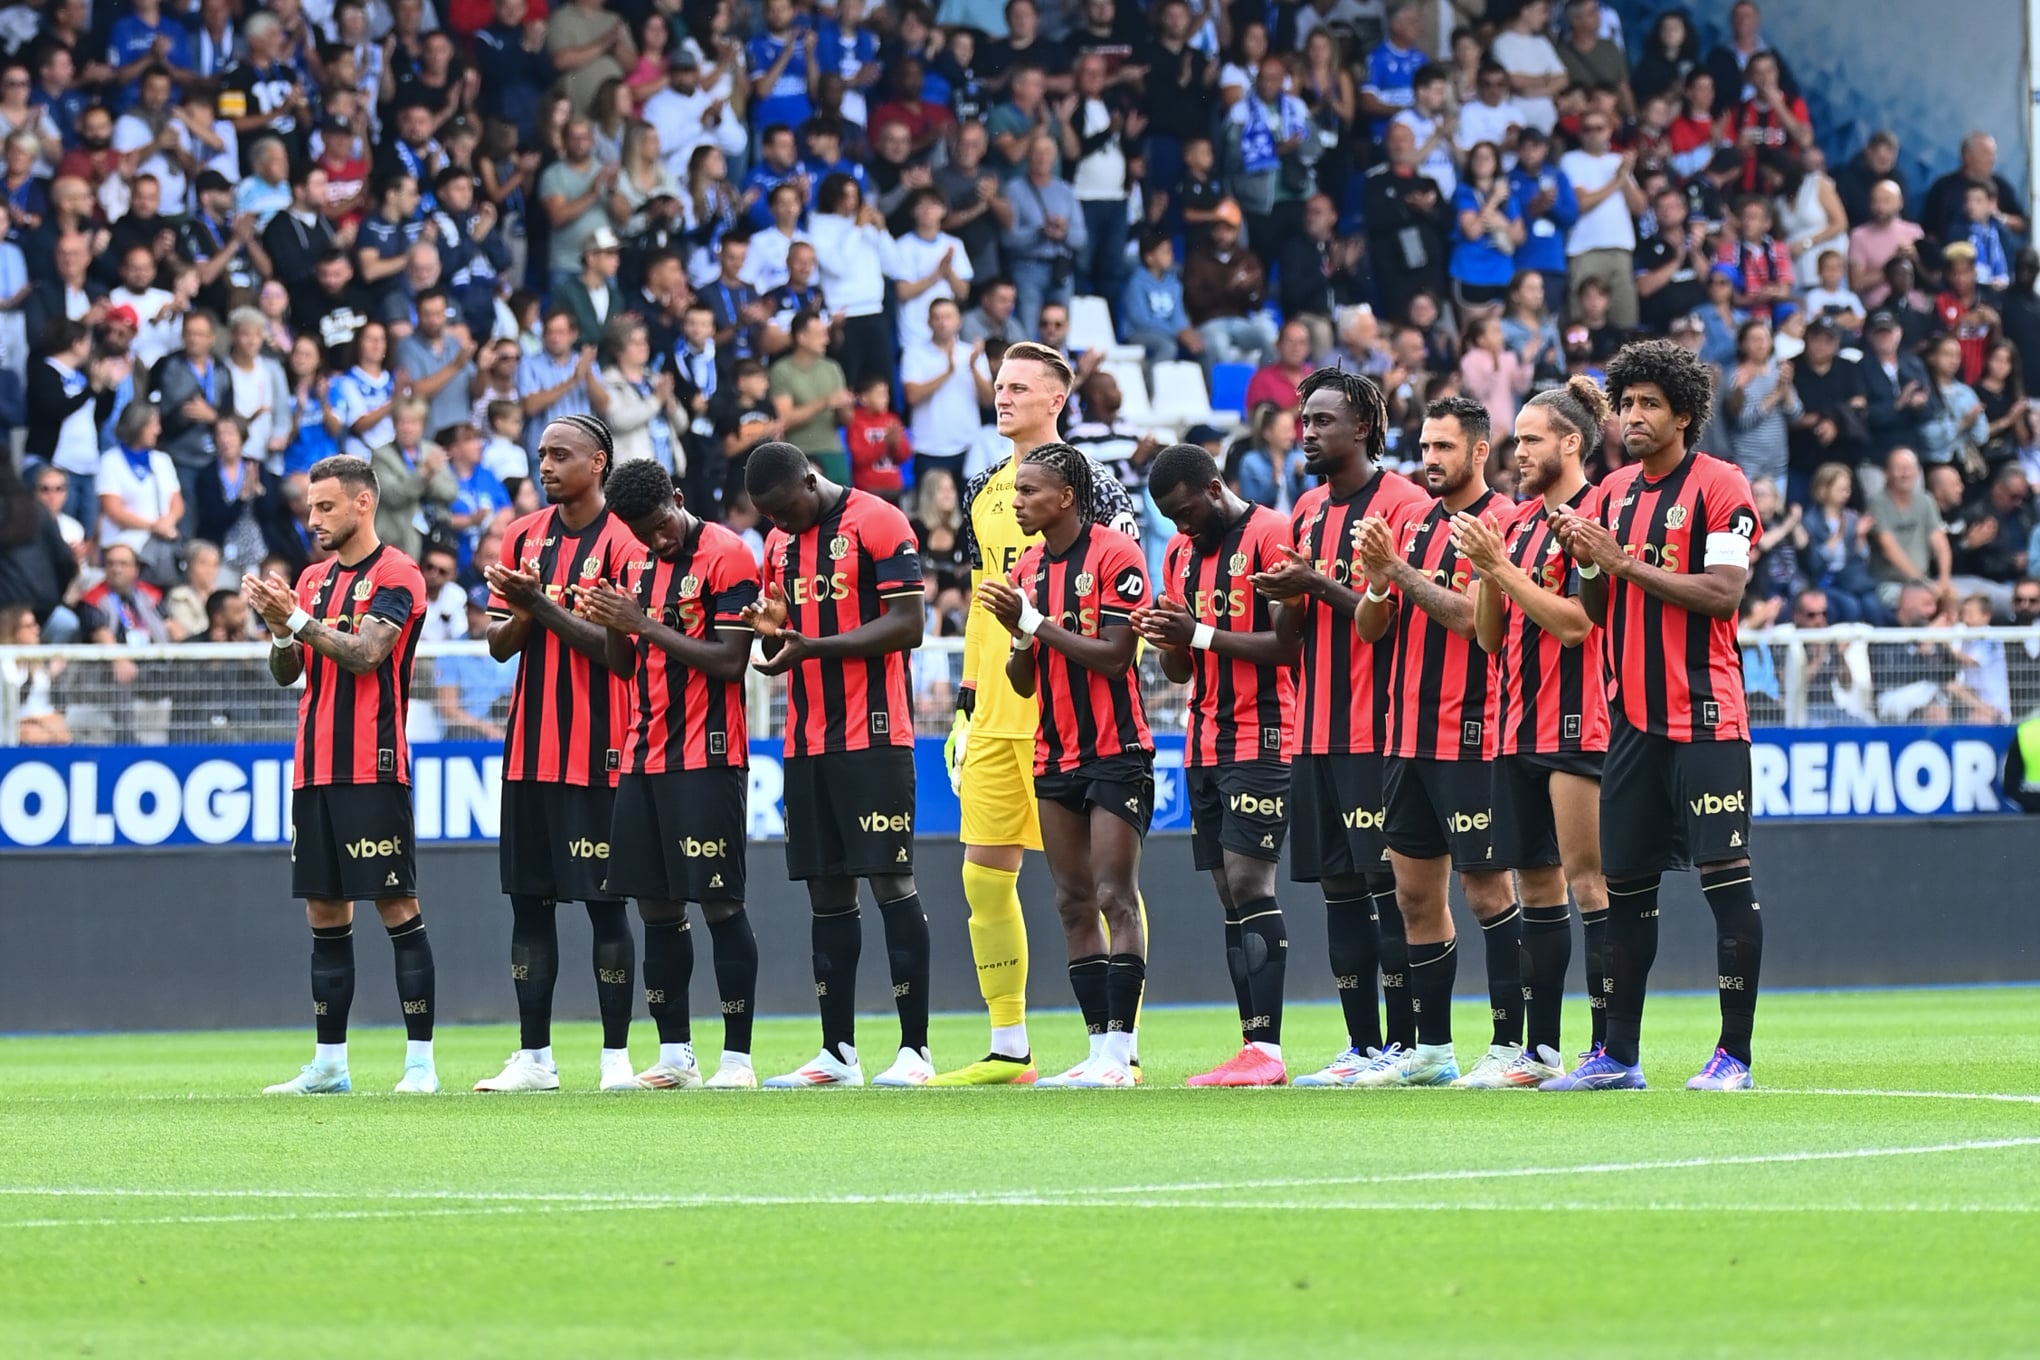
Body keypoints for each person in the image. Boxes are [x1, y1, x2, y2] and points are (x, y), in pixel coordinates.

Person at [1547, 338, 1764, 1092]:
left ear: (1684, 414)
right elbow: (1597, 609)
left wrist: (1626, 562)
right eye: (1627, 403)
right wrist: (1585, 559)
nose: (1632, 417)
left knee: (1726, 886)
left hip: (1706, 717)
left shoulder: (1722, 485)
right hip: (1631, 723)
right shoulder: (1609, 494)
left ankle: (1733, 1057)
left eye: (1648, 405)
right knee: (1627, 888)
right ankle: (1618, 1057)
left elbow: (1723, 593)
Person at [932, 340, 1143, 1087]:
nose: (1003, 396)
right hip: (995, 704)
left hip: (1070, 712)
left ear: (1058, 398)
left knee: (1097, 883)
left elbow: (1123, 601)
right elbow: (986, 602)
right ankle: (1009, 1046)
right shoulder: (984, 486)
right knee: (983, 878)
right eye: (998, 385)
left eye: (1019, 386)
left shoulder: (1099, 486)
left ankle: (1121, 1046)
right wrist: (963, 703)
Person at [1245, 366, 1430, 1085]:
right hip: (1315, 730)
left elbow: (1397, 616)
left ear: (1363, 428)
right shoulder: (1306, 510)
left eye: (1322, 421)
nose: (1307, 432)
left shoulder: (1404, 505)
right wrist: (1282, 596)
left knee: (1388, 889)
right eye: (1304, 420)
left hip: (1378, 729)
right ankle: (1361, 1046)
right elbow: (1290, 640)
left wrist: (1316, 584)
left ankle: (1409, 1046)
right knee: (1338, 890)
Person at [242, 456, 438, 1096]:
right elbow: (289, 670)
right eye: (308, 507)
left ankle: (420, 1065)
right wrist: (279, 631)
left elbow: (366, 654)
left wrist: (295, 620)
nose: (312, 519)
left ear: (362, 504)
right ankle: (330, 1064)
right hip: (314, 768)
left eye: (324, 507)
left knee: (396, 905)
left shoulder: (397, 572)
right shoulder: (314, 578)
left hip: (373, 766)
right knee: (325, 912)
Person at [739, 442, 932, 1088]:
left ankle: (915, 1050)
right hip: (806, 741)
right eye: (768, 516)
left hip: (875, 736)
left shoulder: (878, 522)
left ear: (808, 480)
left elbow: (909, 625)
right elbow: (784, 638)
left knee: (889, 882)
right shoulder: (777, 546)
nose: (781, 525)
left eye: (785, 509)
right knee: (825, 892)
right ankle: (837, 1053)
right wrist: (770, 631)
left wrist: (811, 646)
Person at [1350, 396, 1519, 1088]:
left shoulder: (1499, 523)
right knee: (1415, 896)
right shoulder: (1410, 523)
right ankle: (1433, 1049)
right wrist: (1377, 585)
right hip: (1405, 735)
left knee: (1485, 891)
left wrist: (1401, 574)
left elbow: (1471, 620)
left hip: (1472, 731)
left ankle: (1514, 1045)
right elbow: (1368, 629)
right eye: (1424, 448)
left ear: (1480, 451)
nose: (1430, 461)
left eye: (1444, 448)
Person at [581, 458, 763, 1090]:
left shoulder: (730, 555)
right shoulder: (632, 563)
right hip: (642, 754)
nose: (654, 541)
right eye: (639, 532)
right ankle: (675, 1053)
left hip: (707, 756)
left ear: (679, 500)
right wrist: (612, 624)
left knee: (719, 903)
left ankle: (737, 1058)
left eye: (659, 526)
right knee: (655, 908)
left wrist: (642, 623)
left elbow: (730, 663)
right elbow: (625, 666)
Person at [473, 414, 642, 1094]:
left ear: (598, 462)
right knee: (528, 904)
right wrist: (523, 608)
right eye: (541, 453)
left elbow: (616, 652)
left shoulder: (627, 542)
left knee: (606, 908)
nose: (545, 465)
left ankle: (616, 1060)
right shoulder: (523, 536)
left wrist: (538, 604)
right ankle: (534, 1057)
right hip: (529, 753)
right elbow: (498, 643)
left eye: (560, 454)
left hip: (601, 752)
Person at [1451, 377, 1614, 1076]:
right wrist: (1488, 573)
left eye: (1531, 439)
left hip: (1577, 721)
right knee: (1539, 888)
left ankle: (1609, 1046)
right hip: (1514, 725)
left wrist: (1502, 571)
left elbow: (1578, 625)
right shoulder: (1514, 523)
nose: (1518, 453)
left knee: (1589, 885)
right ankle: (1540, 1049)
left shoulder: (1593, 515)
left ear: (1571, 443)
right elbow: (1488, 638)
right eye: (1517, 440)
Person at [976, 442, 1152, 1088]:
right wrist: (1022, 634)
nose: (1017, 503)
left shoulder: (1116, 554)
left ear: (1067, 497)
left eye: (1029, 492)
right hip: (1055, 751)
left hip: (1116, 747)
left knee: (1114, 895)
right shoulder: (1025, 568)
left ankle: (1121, 1055)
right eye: (1017, 492)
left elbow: (1113, 656)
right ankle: (1097, 1049)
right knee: (1073, 902)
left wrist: (1035, 621)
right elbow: (1023, 681)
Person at [1137, 444, 1297, 1085]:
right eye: (1169, 519)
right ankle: (1251, 1047)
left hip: (1264, 735)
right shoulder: (1178, 555)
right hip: (1204, 738)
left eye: (1185, 512)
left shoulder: (1271, 536)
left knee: (1253, 884)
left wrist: (1196, 633)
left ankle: (1270, 1051)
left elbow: (1289, 645)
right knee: (1230, 895)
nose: (1180, 528)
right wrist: (1167, 638)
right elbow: (1181, 666)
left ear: (1213, 487)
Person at [1561, 111, 1642, 329]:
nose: (1594, 134)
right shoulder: (1571, 160)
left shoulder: (1617, 161)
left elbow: (1640, 207)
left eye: (1599, 128)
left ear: (1609, 131)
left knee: (1625, 320)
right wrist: (1618, 180)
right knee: (1581, 323)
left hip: (1620, 248)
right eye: (1588, 128)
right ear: (1580, 133)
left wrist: (1624, 176)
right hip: (1584, 249)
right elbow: (1582, 203)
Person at [369, 397, 457, 561]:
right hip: (397, 538)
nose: (407, 428)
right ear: (395, 424)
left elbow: (451, 492)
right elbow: (392, 495)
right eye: (403, 422)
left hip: (434, 534)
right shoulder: (381, 456)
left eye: (413, 422)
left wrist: (429, 480)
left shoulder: (433, 450)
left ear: (423, 426)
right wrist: (424, 474)